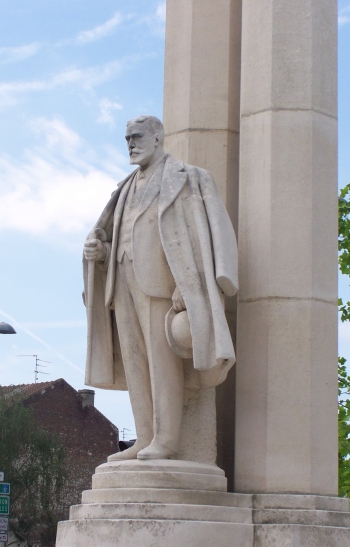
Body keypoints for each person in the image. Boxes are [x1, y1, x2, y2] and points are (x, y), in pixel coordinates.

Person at [83, 115, 238, 461]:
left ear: (158, 138)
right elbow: (118, 233)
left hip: (162, 288)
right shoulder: (124, 189)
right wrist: (102, 253)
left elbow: (214, 233)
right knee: (136, 362)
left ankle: (166, 440)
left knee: (161, 363)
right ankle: (145, 436)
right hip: (122, 283)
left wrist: (199, 283)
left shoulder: (188, 178)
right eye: (126, 139)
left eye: (137, 137)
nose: (131, 145)